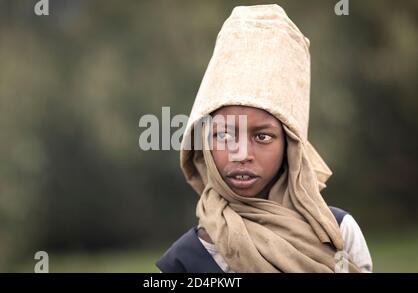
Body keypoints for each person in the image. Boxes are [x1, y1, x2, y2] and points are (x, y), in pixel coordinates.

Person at [156, 4, 372, 273]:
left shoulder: (338, 234)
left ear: (289, 147)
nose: (241, 153)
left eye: (262, 136)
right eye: (223, 135)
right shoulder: (183, 262)